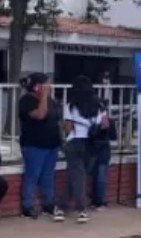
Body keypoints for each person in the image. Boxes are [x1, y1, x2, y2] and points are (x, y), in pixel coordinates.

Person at [58, 76, 109, 224]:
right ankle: (61, 207)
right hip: (92, 144)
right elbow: (105, 125)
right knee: (79, 176)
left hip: (75, 142)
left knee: (77, 176)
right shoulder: (100, 105)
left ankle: (81, 209)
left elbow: (68, 128)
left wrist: (65, 127)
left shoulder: (71, 105)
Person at [18, 73, 61, 220]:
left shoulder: (50, 100)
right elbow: (40, 115)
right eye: (46, 84)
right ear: (37, 86)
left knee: (48, 175)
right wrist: (43, 97)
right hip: (34, 144)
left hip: (52, 144)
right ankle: (27, 206)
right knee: (32, 175)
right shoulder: (26, 101)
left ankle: (49, 204)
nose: (49, 86)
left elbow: (56, 117)